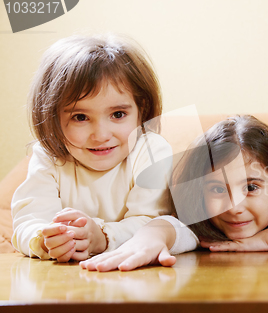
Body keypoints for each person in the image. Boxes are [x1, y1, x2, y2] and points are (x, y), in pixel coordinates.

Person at [80, 115, 268, 272]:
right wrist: (151, 237)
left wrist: (266, 238)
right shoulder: (208, 226)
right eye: (217, 189)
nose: (234, 206)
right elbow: (173, 226)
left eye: (251, 187)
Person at [11, 34, 172, 263]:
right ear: (52, 117)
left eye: (118, 115)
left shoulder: (151, 151)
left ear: (142, 111)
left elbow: (155, 223)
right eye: (80, 117)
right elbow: (27, 222)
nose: (101, 135)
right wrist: (46, 240)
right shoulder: (50, 156)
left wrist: (101, 237)